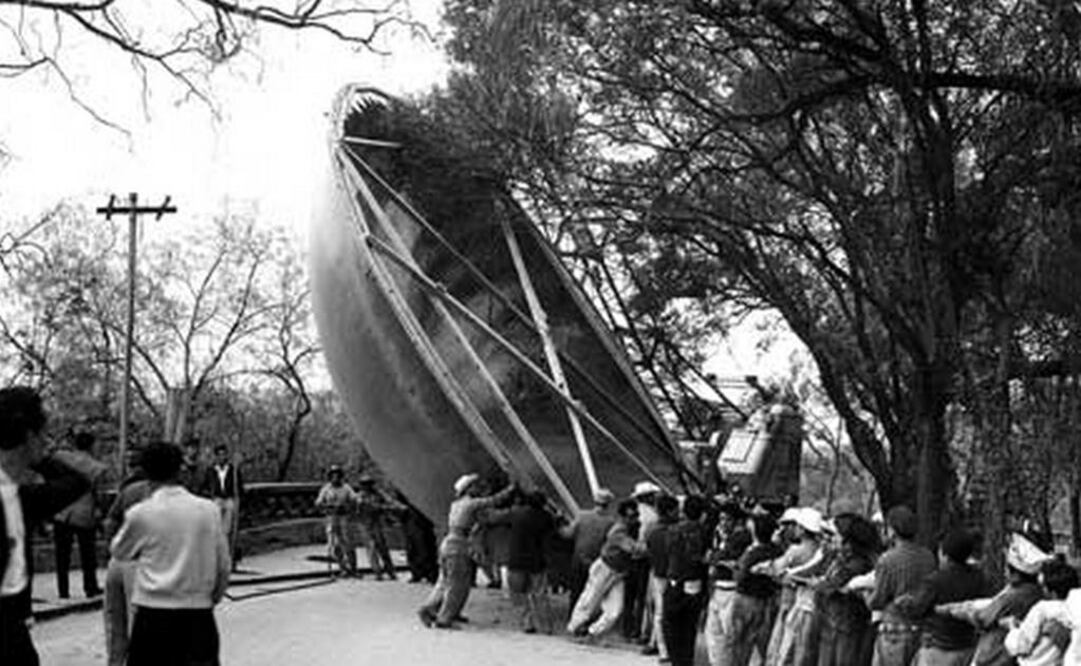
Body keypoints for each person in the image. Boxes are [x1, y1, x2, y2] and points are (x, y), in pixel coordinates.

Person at [111, 440, 231, 666]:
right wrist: (212, 597)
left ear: (146, 473)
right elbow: (223, 566)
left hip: (152, 614)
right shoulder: (209, 510)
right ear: (180, 469)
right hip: (197, 613)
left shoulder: (141, 513)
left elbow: (119, 551)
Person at [1, 386, 94, 666]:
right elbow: (77, 482)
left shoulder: (20, 497)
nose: (46, 441)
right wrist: (42, 458)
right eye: (43, 434)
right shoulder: (20, 499)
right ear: (30, 436)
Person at [417, 473, 515, 629]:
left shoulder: (456, 505)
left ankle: (434, 609)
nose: (479, 488)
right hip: (459, 545)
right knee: (458, 585)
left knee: (444, 582)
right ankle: (444, 618)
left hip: (448, 543)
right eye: (475, 486)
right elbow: (493, 501)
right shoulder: (471, 504)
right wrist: (511, 489)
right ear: (468, 489)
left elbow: (485, 517)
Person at [937, 533, 1049, 666]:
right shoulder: (1035, 592)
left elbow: (983, 618)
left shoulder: (1013, 597)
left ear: (1016, 574)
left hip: (995, 654)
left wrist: (952, 610)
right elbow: (992, 603)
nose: (1005, 572)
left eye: (1007, 569)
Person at [895, 527, 991, 666]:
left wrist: (905, 603)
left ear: (944, 555)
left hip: (938, 650)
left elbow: (917, 610)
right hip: (968, 649)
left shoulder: (935, 580)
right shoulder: (978, 578)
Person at [866, 505, 938, 666]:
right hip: (921, 629)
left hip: (894, 631)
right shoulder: (928, 557)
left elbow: (877, 600)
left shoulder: (887, 560)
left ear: (892, 531)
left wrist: (865, 596)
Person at [102, 445, 154, 666]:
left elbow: (110, 521)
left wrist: (113, 548)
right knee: (138, 622)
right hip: (139, 562)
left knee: (114, 622)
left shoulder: (128, 489)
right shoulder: (155, 492)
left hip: (118, 561)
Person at [567, 498, 647, 639]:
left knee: (615, 610)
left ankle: (592, 632)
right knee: (589, 600)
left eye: (635, 515)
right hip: (605, 568)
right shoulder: (618, 530)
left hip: (618, 572)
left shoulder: (630, 528)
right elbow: (633, 548)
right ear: (623, 516)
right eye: (631, 516)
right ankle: (574, 627)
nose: (634, 519)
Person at [756, 507, 827, 666]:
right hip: (810, 606)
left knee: (783, 649)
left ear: (802, 529)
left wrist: (762, 568)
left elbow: (776, 569)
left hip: (792, 603)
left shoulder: (795, 551)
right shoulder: (820, 550)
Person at [814, 513, 880, 666]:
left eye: (835, 535)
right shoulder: (841, 560)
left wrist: (820, 584)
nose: (832, 538)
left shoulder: (857, 564)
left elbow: (830, 586)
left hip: (847, 627)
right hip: (835, 624)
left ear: (848, 541)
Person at [488, 490, 557, 633]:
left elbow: (494, 518)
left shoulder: (517, 513)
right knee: (540, 595)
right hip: (537, 561)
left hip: (516, 560)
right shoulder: (546, 517)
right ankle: (546, 627)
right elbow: (555, 530)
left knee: (518, 594)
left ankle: (527, 624)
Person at [720, 511, 783, 666]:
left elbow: (739, 576)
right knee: (760, 642)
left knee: (736, 643)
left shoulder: (752, 553)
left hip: (745, 598)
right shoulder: (777, 550)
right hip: (766, 599)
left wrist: (736, 566)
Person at [52, 430, 108, 599]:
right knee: (88, 553)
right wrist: (100, 514)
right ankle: (90, 587)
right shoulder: (97, 468)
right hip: (84, 514)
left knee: (62, 554)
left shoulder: (61, 457)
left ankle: (63, 590)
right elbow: (99, 494)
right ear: (91, 446)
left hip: (61, 511)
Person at [661, 494, 711, 666]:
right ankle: (686, 660)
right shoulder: (705, 531)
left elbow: (668, 552)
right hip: (695, 582)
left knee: (672, 626)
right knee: (689, 627)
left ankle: (676, 660)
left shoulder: (672, 530)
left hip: (675, 581)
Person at [704, 500, 753, 666]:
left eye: (727, 519)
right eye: (721, 519)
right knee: (715, 635)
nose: (723, 523)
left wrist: (716, 556)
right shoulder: (723, 536)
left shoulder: (741, 537)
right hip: (719, 588)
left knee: (729, 636)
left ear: (737, 521)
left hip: (731, 591)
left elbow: (717, 557)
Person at [1004, 559, 1079, 665]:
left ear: (1052, 593)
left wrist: (1012, 627)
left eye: (1043, 587)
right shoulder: (1073, 608)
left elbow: (1019, 645)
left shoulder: (1043, 609)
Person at [559, 488, 617, 616]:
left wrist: (560, 523)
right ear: (609, 504)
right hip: (595, 562)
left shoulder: (582, 516)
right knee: (592, 593)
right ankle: (586, 618)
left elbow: (568, 534)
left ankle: (572, 616)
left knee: (576, 591)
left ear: (595, 501)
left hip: (578, 559)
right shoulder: (611, 522)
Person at [643, 494, 681, 660]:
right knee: (663, 614)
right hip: (671, 576)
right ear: (670, 511)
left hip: (657, 574)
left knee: (659, 612)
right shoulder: (674, 531)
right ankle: (665, 650)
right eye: (676, 510)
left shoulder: (652, 530)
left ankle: (659, 646)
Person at [628, 480, 661, 642]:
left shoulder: (635, 513)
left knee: (631, 594)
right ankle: (640, 629)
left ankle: (629, 627)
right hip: (644, 558)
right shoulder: (652, 517)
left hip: (631, 555)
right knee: (643, 595)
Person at [203, 444, 243, 568]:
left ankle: (226, 545)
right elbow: (205, 485)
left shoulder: (233, 470)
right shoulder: (211, 470)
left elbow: (239, 486)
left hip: (229, 498)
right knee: (216, 512)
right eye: (219, 455)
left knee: (229, 515)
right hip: (217, 498)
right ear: (216, 456)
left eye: (223, 454)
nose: (221, 457)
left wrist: (237, 496)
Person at [314, 465, 358, 577]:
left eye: (337, 475)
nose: (335, 478)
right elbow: (318, 502)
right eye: (333, 475)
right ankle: (343, 567)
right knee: (335, 544)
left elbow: (354, 499)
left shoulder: (346, 488)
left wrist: (346, 505)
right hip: (331, 517)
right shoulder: (326, 489)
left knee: (348, 543)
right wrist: (327, 505)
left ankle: (353, 568)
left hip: (344, 518)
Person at [355, 475, 396, 580]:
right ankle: (377, 572)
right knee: (371, 548)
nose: (366, 487)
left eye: (368, 484)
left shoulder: (378, 494)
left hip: (376, 522)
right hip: (364, 523)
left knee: (382, 547)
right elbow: (356, 509)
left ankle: (390, 570)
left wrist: (383, 508)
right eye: (364, 484)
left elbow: (389, 501)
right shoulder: (359, 496)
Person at [396, 490, 438, 584]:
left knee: (425, 551)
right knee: (413, 551)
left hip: (420, 527)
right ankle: (418, 573)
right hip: (411, 527)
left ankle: (430, 575)